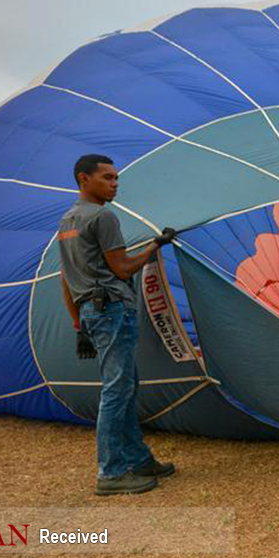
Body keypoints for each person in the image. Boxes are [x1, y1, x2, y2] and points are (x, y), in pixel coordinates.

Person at [58, 154, 177, 496]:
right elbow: (123, 269)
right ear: (84, 179)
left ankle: (138, 459)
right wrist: (156, 246)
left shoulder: (68, 220)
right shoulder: (103, 216)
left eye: (116, 179)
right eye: (107, 178)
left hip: (92, 312)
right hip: (111, 309)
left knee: (124, 386)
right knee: (116, 390)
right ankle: (110, 473)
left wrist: (79, 324)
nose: (115, 184)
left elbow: (67, 278)